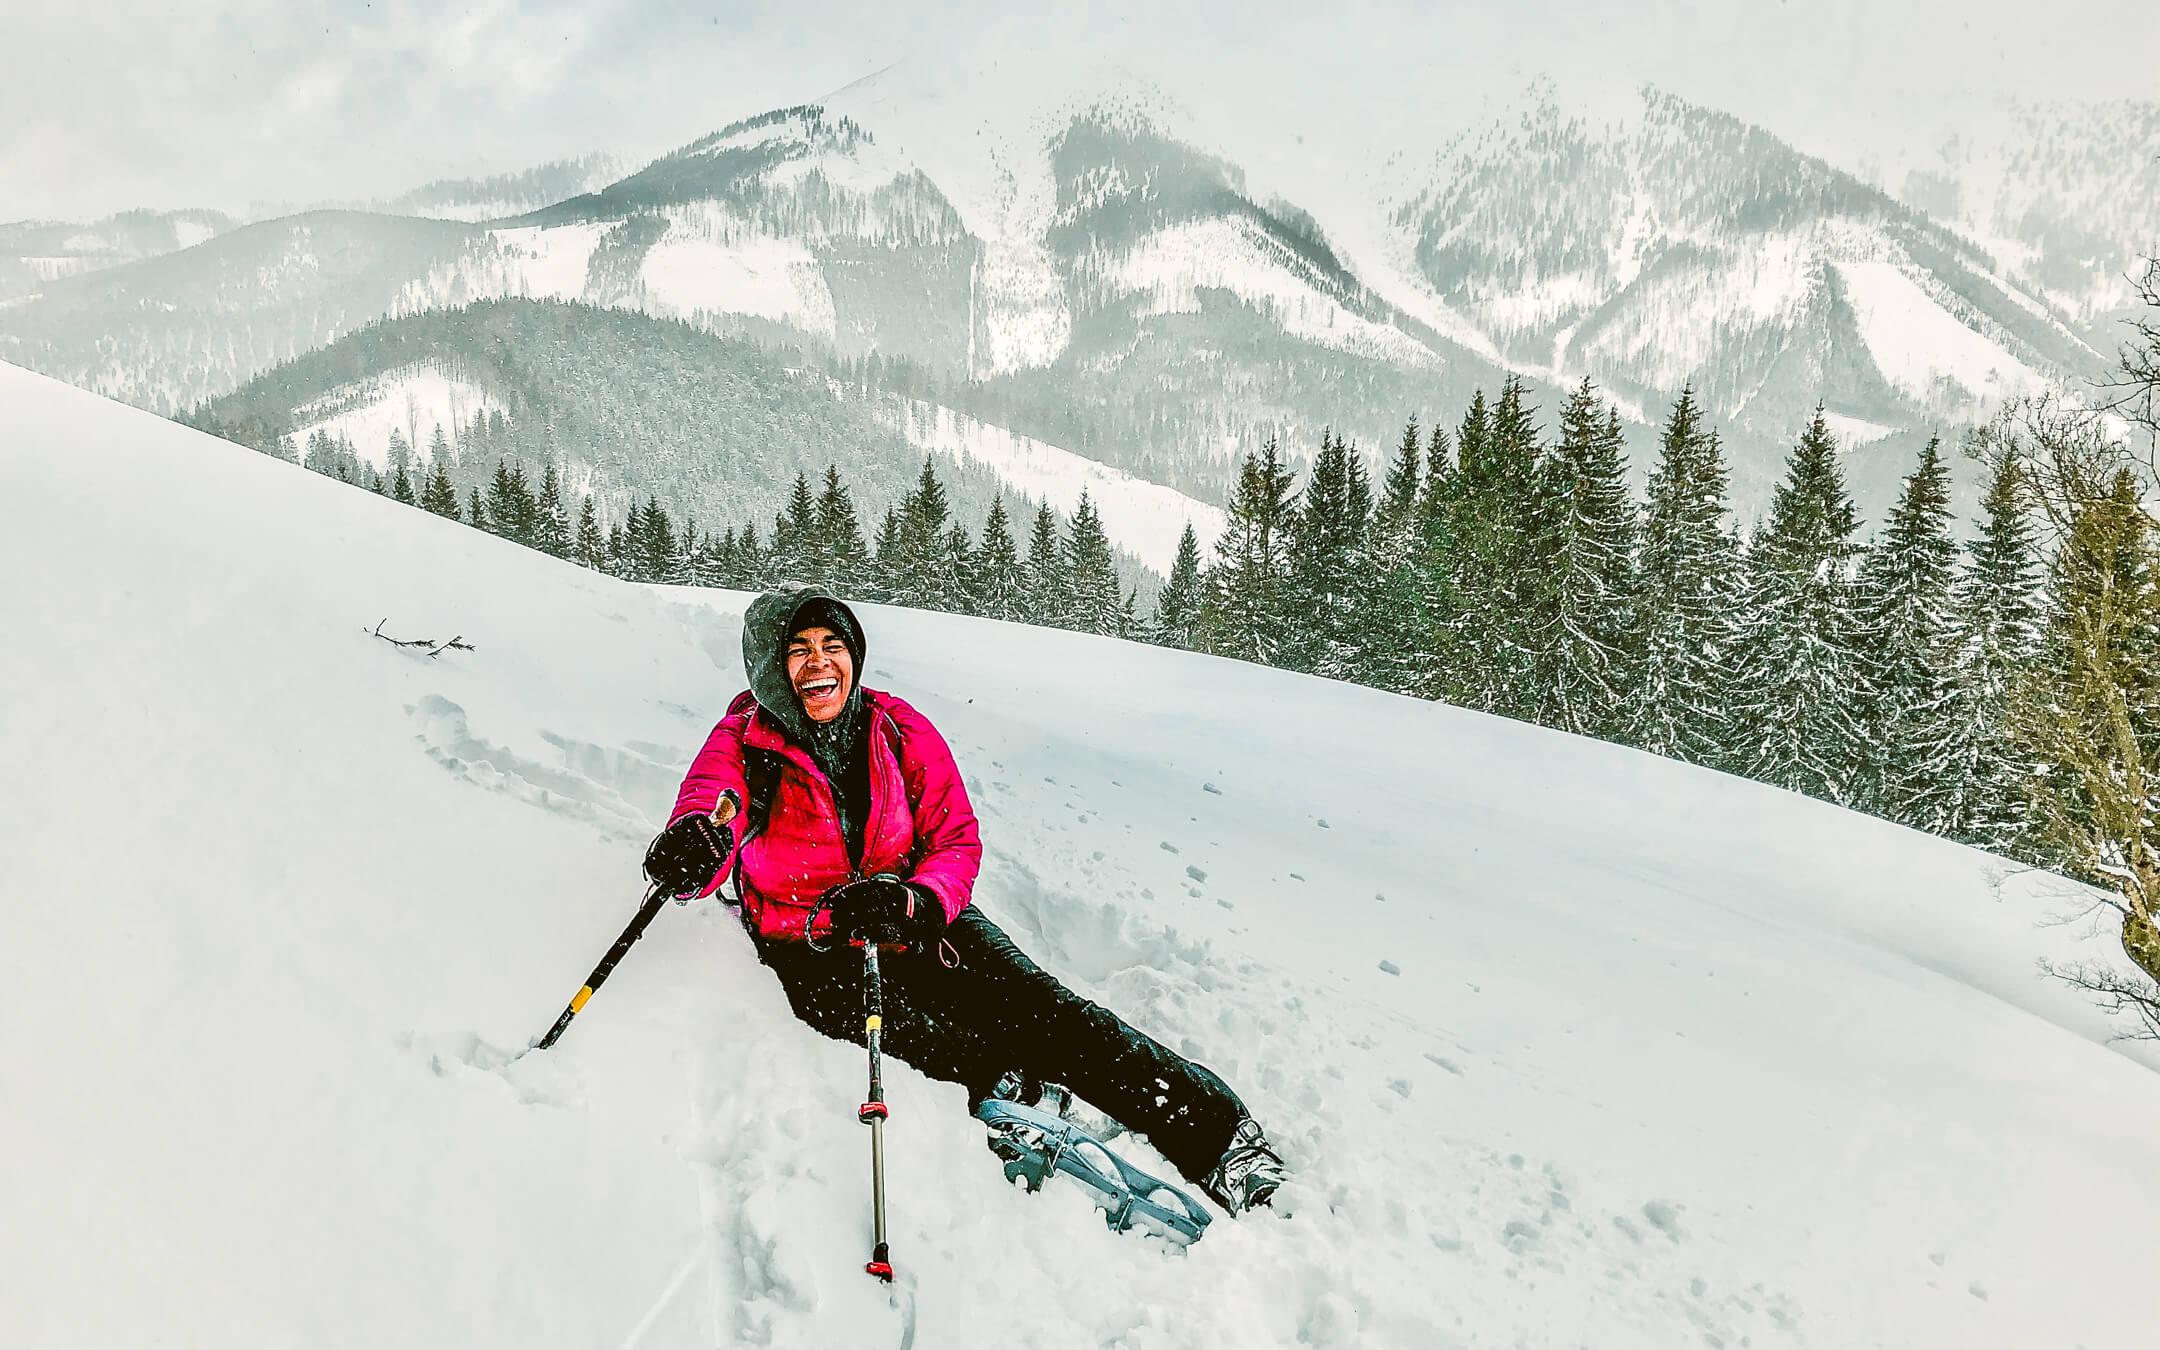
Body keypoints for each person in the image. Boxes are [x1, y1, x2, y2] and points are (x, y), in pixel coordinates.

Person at [642, 582, 1285, 1214]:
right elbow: (712, 812)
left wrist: (917, 901)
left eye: (833, 644)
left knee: (1049, 1013)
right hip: (815, 946)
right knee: (911, 1040)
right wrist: (692, 846)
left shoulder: (897, 728)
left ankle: (1217, 1136)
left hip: (916, 919)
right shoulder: (745, 746)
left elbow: (955, 838)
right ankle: (1001, 1085)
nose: (820, 664)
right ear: (771, 669)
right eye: (799, 649)